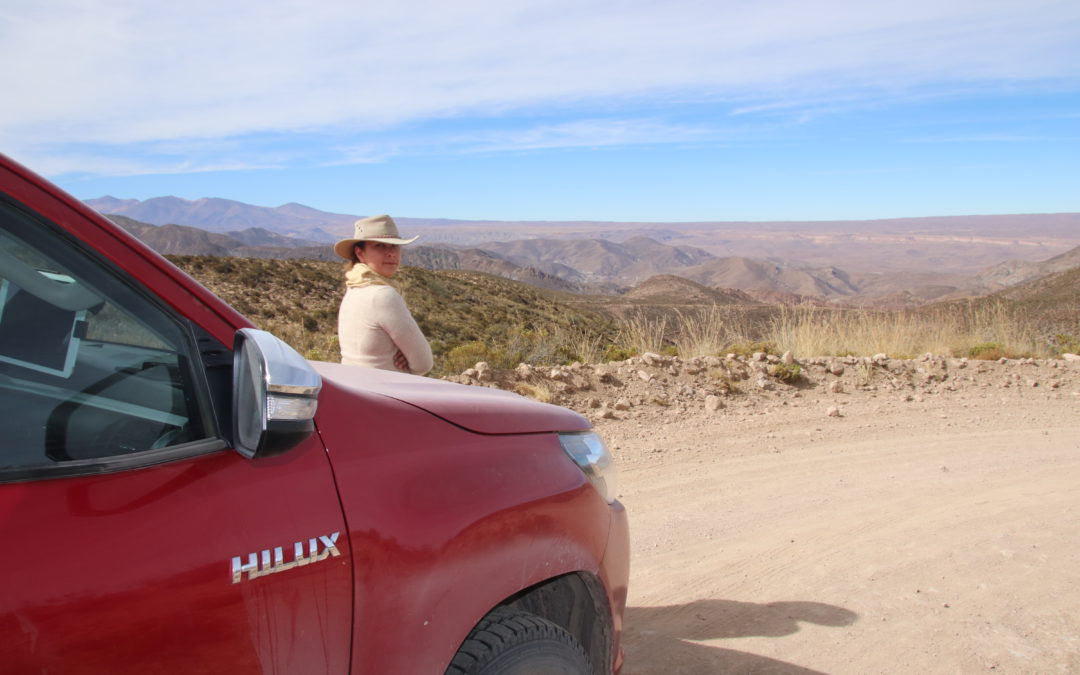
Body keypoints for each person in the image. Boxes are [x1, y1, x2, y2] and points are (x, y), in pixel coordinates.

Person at [334, 214, 433, 375]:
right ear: (360, 253)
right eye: (379, 246)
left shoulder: (354, 288)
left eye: (394, 246)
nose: (390, 253)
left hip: (354, 387)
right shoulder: (382, 295)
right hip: (386, 392)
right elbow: (424, 364)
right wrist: (405, 356)